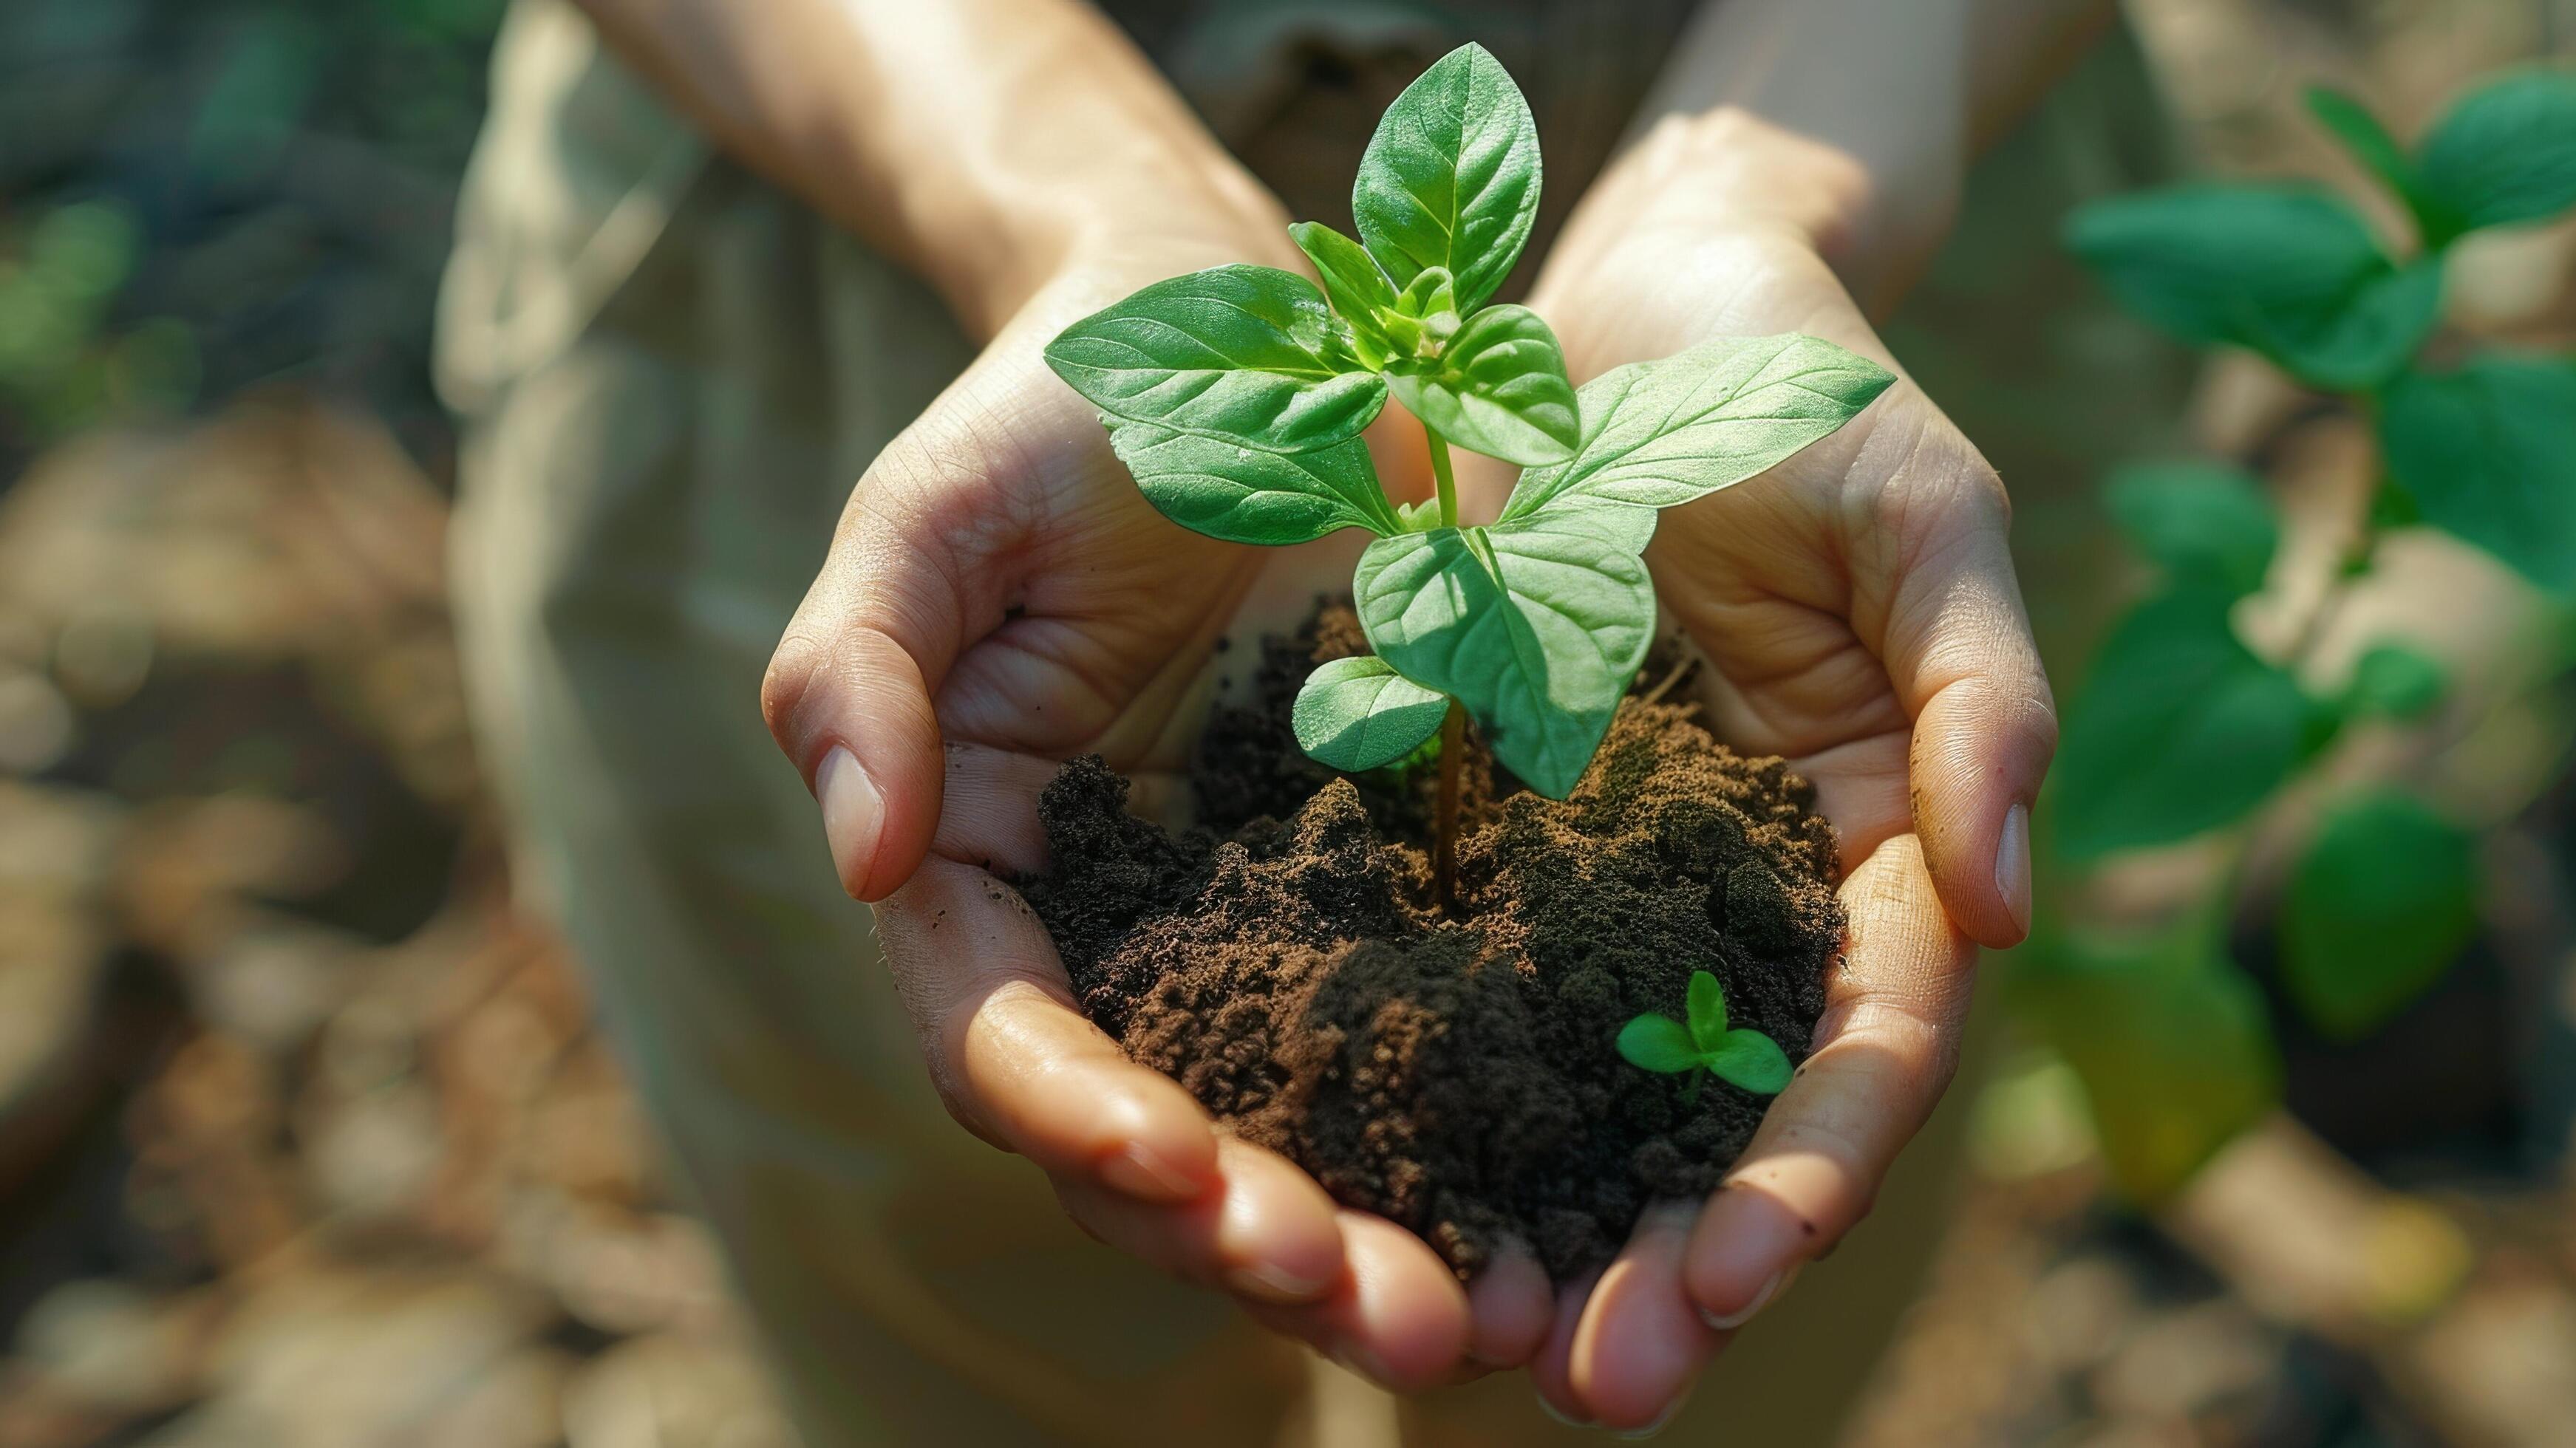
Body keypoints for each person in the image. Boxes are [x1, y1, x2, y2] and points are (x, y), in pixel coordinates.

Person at [439, 1, 2179, 1441]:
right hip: (820, 162)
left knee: (1705, 1360)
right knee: (965, 1331)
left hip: (1914, 109)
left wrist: (1767, 174)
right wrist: (1066, 197)